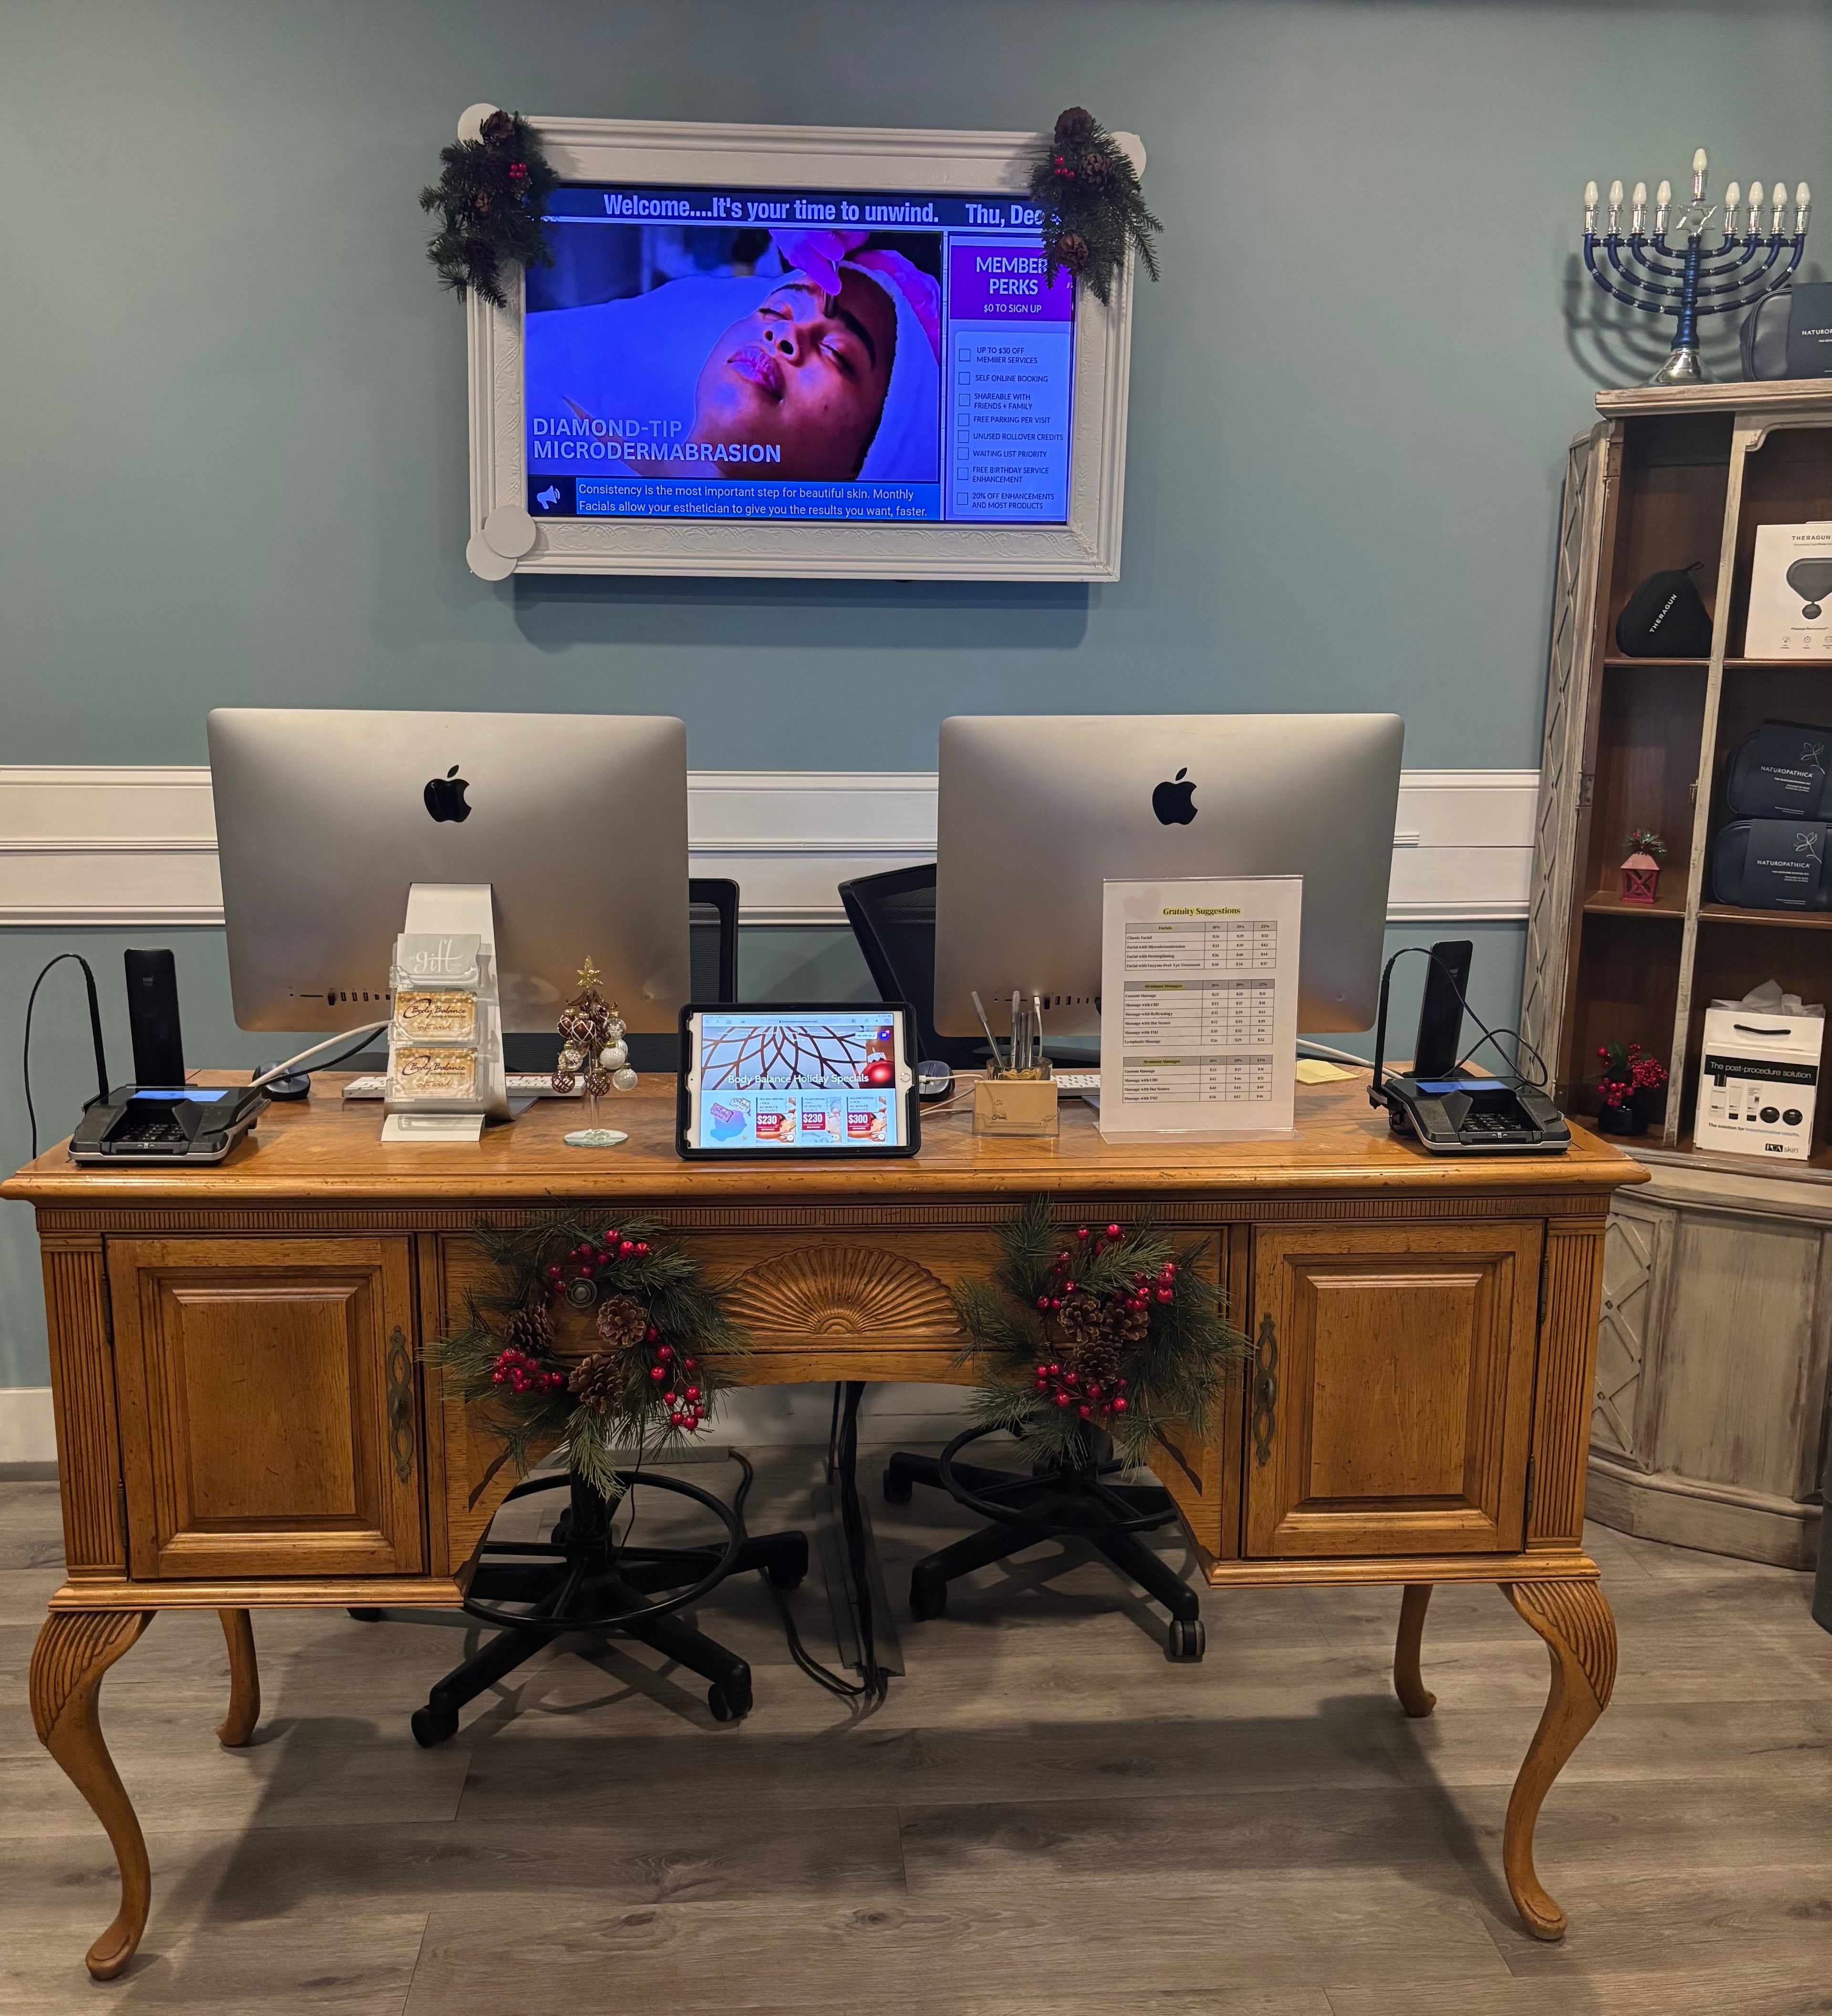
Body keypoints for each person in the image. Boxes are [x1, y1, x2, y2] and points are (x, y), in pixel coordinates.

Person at [526, 229, 942, 486]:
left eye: (835, 352)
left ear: (869, 460)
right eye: (775, 311)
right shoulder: (528, 417)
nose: (784, 334)